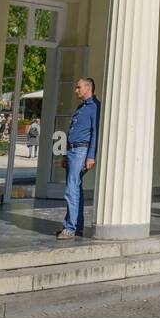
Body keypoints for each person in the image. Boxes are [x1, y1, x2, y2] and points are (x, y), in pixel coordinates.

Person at [57, 78, 98, 240]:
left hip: (82, 150)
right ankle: (77, 225)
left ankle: (70, 227)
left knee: (71, 189)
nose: (76, 90)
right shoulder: (81, 107)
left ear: (88, 88)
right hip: (73, 151)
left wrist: (91, 156)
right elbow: (73, 130)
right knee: (76, 189)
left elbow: (95, 132)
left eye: (78, 87)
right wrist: (66, 154)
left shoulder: (95, 107)